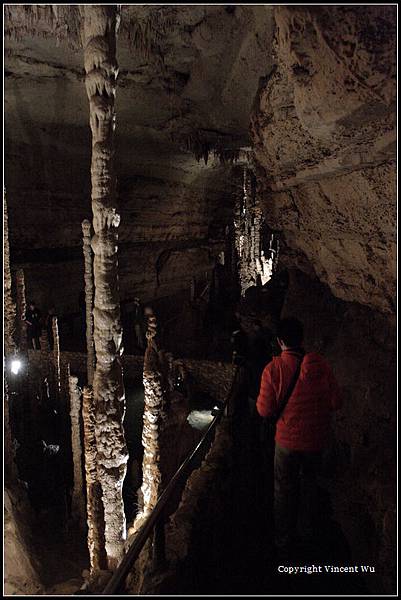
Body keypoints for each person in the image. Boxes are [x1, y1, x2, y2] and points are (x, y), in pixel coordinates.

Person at [256, 317, 342, 558]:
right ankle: (306, 531)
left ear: (280, 341)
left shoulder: (273, 369)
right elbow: (337, 402)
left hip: (287, 443)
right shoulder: (321, 366)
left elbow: (264, 410)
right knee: (309, 485)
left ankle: (283, 538)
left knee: (284, 488)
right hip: (315, 441)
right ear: (301, 338)